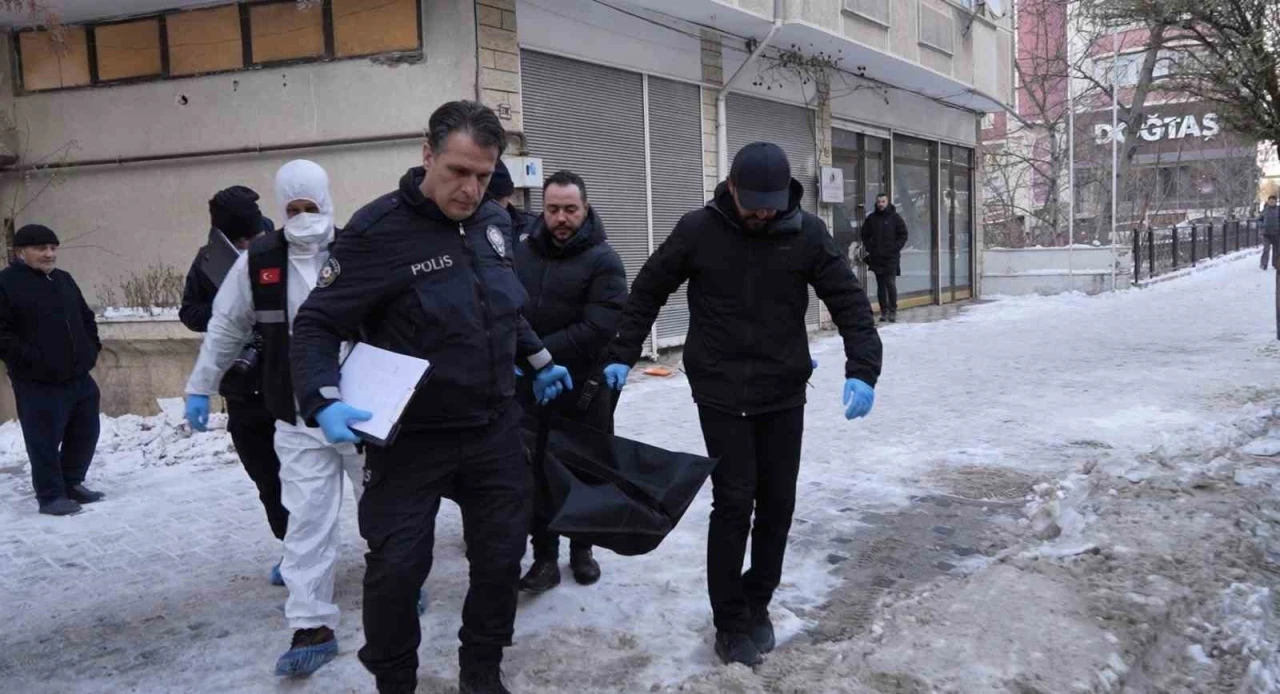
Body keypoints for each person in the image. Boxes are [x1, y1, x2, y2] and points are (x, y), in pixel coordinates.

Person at [289, 100, 573, 694]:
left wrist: (540, 359)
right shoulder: (377, 232)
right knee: (397, 569)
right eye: (457, 171)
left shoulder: (495, 224)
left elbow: (500, 304)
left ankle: (482, 672)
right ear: (427, 155)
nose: (471, 189)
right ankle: (395, 680)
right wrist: (322, 398)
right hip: (411, 437)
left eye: (483, 175)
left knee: (501, 558)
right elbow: (317, 322)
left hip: (492, 426)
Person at [602, 142, 882, 667]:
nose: (763, 214)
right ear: (731, 187)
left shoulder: (806, 233)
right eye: (753, 204)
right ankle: (729, 622)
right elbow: (648, 290)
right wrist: (621, 353)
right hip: (721, 391)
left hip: (782, 390)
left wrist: (863, 368)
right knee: (734, 502)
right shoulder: (698, 230)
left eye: (771, 206)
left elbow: (848, 301)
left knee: (778, 503)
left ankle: (758, 601)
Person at [183, 161, 365, 679]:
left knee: (383, 508)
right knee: (305, 522)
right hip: (296, 414)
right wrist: (201, 384)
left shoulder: (359, 251)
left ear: (327, 201)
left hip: (361, 413)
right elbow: (225, 326)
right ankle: (311, 625)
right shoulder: (259, 260)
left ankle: (398, 583)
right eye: (293, 208)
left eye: (312, 206)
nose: (303, 217)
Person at [513, 170, 628, 593]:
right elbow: (508, 308)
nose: (561, 218)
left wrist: (536, 352)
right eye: (553, 209)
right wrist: (528, 362)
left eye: (570, 209)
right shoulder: (522, 252)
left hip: (584, 389)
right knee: (536, 471)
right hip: (532, 387)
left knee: (584, 470)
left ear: (585, 208)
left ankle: (583, 549)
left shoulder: (604, 260)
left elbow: (598, 327)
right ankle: (544, 556)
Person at [179, 186, 289, 578]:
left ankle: (315, 551)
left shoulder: (283, 249)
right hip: (242, 387)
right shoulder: (209, 260)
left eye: (251, 237)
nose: (247, 245)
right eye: (239, 240)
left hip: (288, 383)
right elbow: (189, 312)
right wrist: (230, 312)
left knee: (307, 477)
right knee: (267, 479)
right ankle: (291, 547)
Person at [0, 224, 103, 516]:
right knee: (43, 439)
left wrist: (91, 349)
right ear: (20, 252)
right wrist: (33, 360)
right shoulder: (6, 284)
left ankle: (72, 483)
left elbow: (85, 317)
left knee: (85, 431)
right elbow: (2, 335)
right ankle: (50, 496)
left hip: (77, 374)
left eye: (53, 248)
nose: (49, 254)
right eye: (40, 248)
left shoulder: (63, 279)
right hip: (37, 380)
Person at [860, 193, 908, 323]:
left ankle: (893, 311)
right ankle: (884, 311)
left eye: (883, 201)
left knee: (890, 283)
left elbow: (903, 234)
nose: (881, 204)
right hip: (877, 257)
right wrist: (870, 247)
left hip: (891, 257)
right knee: (880, 285)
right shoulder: (871, 218)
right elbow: (864, 235)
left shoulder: (895, 218)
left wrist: (895, 247)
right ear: (876, 203)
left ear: (887, 202)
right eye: (879, 202)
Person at [486, 158, 536, 247]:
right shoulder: (471, 228)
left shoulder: (532, 226)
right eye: (490, 202)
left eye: (498, 200)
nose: (495, 208)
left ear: (508, 195)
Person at [1261, 195, 1278, 270]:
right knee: (1266, 249)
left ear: (1275, 202)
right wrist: (1262, 225)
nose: (1271, 202)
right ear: (1268, 201)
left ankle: (1275, 264)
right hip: (1266, 233)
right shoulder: (1265, 210)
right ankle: (1264, 264)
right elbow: (1259, 219)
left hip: (1277, 234)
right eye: (1270, 201)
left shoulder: (1278, 210)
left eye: (1273, 201)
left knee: (1276, 250)